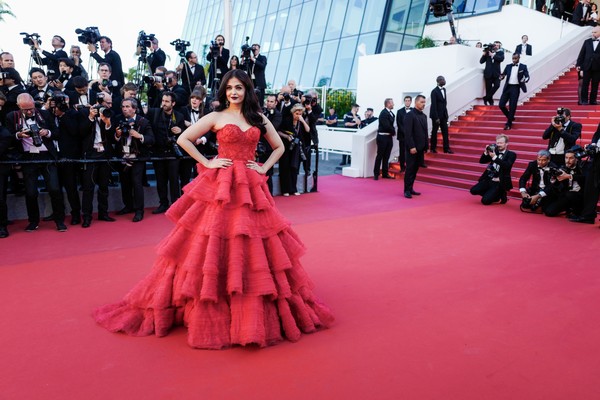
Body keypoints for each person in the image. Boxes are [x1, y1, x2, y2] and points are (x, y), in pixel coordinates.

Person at [93, 69, 334, 349]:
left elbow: (278, 146)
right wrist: (208, 162)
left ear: (247, 91)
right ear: (224, 90)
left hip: (251, 186)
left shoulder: (258, 118)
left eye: (239, 88)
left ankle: (250, 295)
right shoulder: (217, 117)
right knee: (214, 239)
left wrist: (263, 167)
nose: (234, 92)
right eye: (230, 87)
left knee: (253, 240)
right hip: (221, 184)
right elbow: (183, 139)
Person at [6, 93, 66, 232]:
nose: (29, 111)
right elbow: (7, 137)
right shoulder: (12, 117)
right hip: (28, 157)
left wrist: (47, 133)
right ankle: (33, 221)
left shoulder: (44, 114)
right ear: (18, 107)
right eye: (25, 109)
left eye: (31, 108)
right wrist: (19, 135)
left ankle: (59, 220)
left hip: (47, 155)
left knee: (55, 189)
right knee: (31, 192)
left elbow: (57, 133)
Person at [113, 98, 154, 222]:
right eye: (123, 106)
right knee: (124, 183)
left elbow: (151, 139)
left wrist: (139, 136)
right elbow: (112, 138)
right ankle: (128, 206)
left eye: (127, 106)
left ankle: (139, 210)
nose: (124, 109)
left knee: (136, 183)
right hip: (123, 156)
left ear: (134, 108)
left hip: (137, 157)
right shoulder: (118, 119)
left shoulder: (143, 121)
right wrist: (117, 135)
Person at [80, 93, 117, 228]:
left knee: (104, 186)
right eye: (107, 103)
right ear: (99, 101)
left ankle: (103, 213)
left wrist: (107, 124)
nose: (109, 106)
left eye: (111, 103)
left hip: (104, 155)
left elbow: (113, 137)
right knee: (88, 188)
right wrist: (90, 117)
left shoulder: (109, 114)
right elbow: (80, 132)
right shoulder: (85, 113)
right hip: (90, 155)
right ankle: (87, 216)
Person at [470, 134, 517, 205]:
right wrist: (486, 152)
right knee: (473, 190)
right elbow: (482, 161)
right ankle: (495, 195)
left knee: (485, 201)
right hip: (489, 178)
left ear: (506, 144)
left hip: (499, 181)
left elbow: (506, 165)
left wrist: (494, 157)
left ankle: (500, 194)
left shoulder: (511, 154)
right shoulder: (494, 151)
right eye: (497, 143)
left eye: (501, 143)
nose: (498, 145)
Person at [569, 124, 600, 224]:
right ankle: (588, 215)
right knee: (590, 188)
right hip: (596, 159)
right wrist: (593, 145)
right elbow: (597, 134)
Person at [543, 149, 585, 217]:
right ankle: (567, 209)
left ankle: (576, 211)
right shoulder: (563, 168)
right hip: (566, 195)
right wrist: (554, 180)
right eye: (566, 158)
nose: (568, 161)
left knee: (570, 194)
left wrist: (569, 176)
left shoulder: (582, 166)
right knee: (549, 212)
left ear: (576, 159)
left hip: (580, 196)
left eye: (571, 158)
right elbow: (558, 186)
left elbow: (585, 178)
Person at [404, 94, 428, 199]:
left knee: (415, 170)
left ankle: (411, 188)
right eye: (422, 102)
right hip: (412, 148)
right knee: (409, 169)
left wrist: (426, 145)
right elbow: (408, 133)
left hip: (421, 148)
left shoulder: (424, 116)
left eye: (424, 102)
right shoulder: (410, 115)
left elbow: (425, 132)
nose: (423, 104)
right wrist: (412, 146)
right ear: (416, 102)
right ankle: (406, 190)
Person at [499, 53, 530, 130]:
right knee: (501, 105)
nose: (514, 60)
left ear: (519, 58)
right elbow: (503, 74)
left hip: (516, 88)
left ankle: (509, 123)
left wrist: (525, 80)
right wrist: (501, 77)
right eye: (513, 58)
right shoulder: (508, 66)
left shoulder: (523, 66)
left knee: (512, 106)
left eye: (515, 58)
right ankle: (511, 116)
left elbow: (527, 76)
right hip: (507, 87)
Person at [576, 26, 600, 105]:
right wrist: (578, 64)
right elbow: (581, 54)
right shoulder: (587, 41)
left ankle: (593, 100)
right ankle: (584, 100)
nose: (593, 34)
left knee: (595, 85)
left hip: (598, 67)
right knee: (585, 84)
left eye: (595, 32)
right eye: (592, 32)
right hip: (586, 66)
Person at [430, 75, 452, 154]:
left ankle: (446, 149)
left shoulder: (444, 90)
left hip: (443, 115)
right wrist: (436, 117)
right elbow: (434, 105)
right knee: (434, 132)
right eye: (442, 79)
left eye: (444, 79)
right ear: (438, 81)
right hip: (436, 116)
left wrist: (446, 114)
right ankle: (433, 148)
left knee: (445, 132)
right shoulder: (434, 91)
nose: (444, 81)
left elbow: (444, 103)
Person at [374, 98, 395, 180]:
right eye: (392, 103)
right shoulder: (383, 113)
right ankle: (376, 174)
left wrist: (392, 132)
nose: (393, 104)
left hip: (389, 137)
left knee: (387, 156)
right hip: (382, 137)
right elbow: (387, 126)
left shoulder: (392, 113)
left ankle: (385, 173)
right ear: (388, 104)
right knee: (380, 155)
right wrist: (393, 131)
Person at [480, 41, 504, 106]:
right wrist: (484, 54)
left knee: (497, 85)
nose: (496, 46)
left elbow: (501, 59)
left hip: (496, 74)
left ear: (499, 46)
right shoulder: (487, 52)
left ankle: (486, 98)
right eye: (495, 45)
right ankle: (490, 102)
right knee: (488, 89)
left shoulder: (500, 53)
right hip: (488, 73)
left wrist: (493, 55)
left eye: (497, 45)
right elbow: (481, 61)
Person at [396, 96, 413, 173]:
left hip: (411, 136)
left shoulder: (414, 111)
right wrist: (406, 132)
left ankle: (410, 166)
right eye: (406, 100)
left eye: (408, 100)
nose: (407, 102)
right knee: (402, 152)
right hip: (402, 136)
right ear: (404, 101)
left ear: (410, 102)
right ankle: (402, 167)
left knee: (411, 152)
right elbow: (399, 124)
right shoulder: (399, 111)